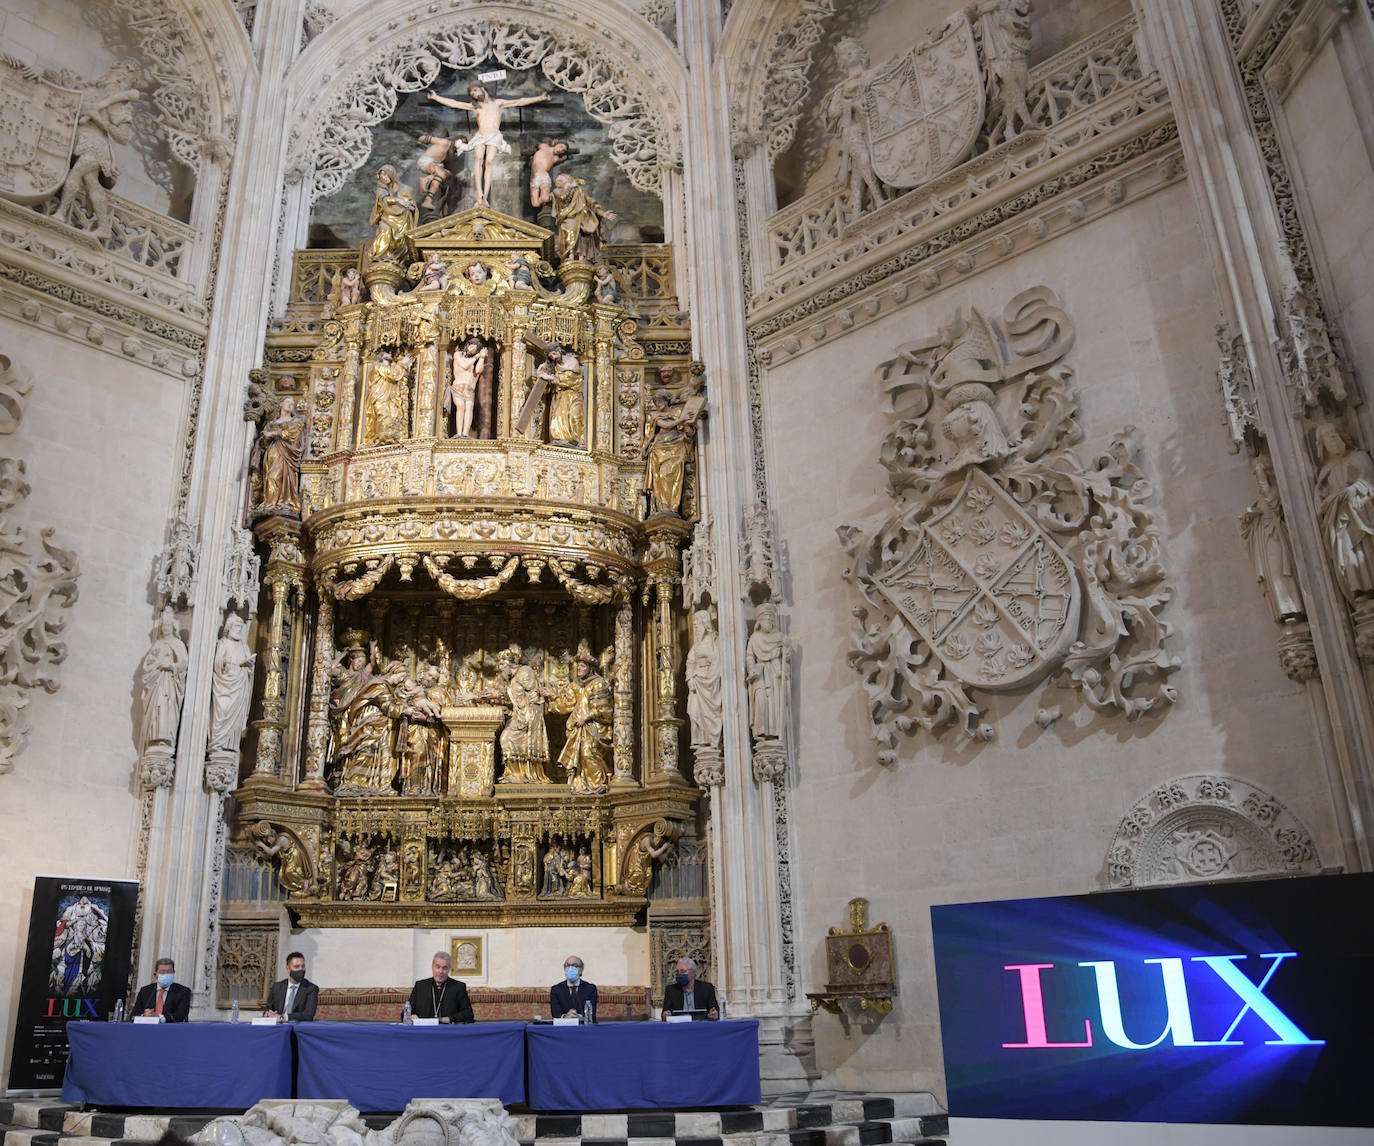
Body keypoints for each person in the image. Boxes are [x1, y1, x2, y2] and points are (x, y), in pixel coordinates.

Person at [427, 83, 550, 208]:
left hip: (494, 136)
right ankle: (479, 194)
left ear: (483, 88)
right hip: (480, 136)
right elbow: (454, 103)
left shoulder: (498, 103)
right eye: (472, 94)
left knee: (489, 162)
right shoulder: (475, 107)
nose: (475, 94)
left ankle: (484, 196)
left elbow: (520, 101)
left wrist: (540, 98)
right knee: (478, 160)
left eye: (475, 90)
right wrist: (436, 97)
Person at [408, 950, 475, 1023]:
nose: (440, 971)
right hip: (424, 1030)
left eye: (444, 968)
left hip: (448, 1031)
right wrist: (411, 1016)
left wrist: (448, 1019)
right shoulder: (420, 986)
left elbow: (468, 1014)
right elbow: (405, 1013)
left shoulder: (458, 987)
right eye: (437, 967)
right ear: (432, 967)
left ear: (449, 969)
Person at [264, 951, 318, 1022]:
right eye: (296, 967)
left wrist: (283, 1018)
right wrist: (268, 1013)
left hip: (298, 1027)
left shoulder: (311, 988)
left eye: (303, 966)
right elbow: (268, 1008)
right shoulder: (277, 987)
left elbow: (309, 1014)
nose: (300, 969)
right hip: (278, 1027)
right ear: (288, 969)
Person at [133, 957, 191, 1022]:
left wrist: (160, 1018)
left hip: (171, 1029)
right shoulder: (145, 991)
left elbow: (181, 1015)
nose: (166, 974)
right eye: (162, 972)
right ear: (155, 975)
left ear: (173, 973)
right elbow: (134, 1015)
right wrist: (144, 1015)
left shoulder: (183, 991)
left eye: (169, 972)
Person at [550, 954, 597, 1021]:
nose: (570, 968)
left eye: (574, 965)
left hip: (583, 1027)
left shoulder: (590, 989)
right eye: (567, 965)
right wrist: (565, 1017)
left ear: (581, 970)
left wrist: (579, 1017)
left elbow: (592, 1014)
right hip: (563, 1028)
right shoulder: (556, 990)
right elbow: (556, 1014)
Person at [529, 138, 569, 208]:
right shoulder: (544, 146)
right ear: (556, 144)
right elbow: (536, 145)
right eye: (561, 146)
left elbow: (561, 159)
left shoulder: (555, 158)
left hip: (544, 177)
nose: (560, 150)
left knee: (545, 198)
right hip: (533, 178)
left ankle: (555, 195)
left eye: (563, 150)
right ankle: (553, 196)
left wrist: (563, 159)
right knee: (535, 204)